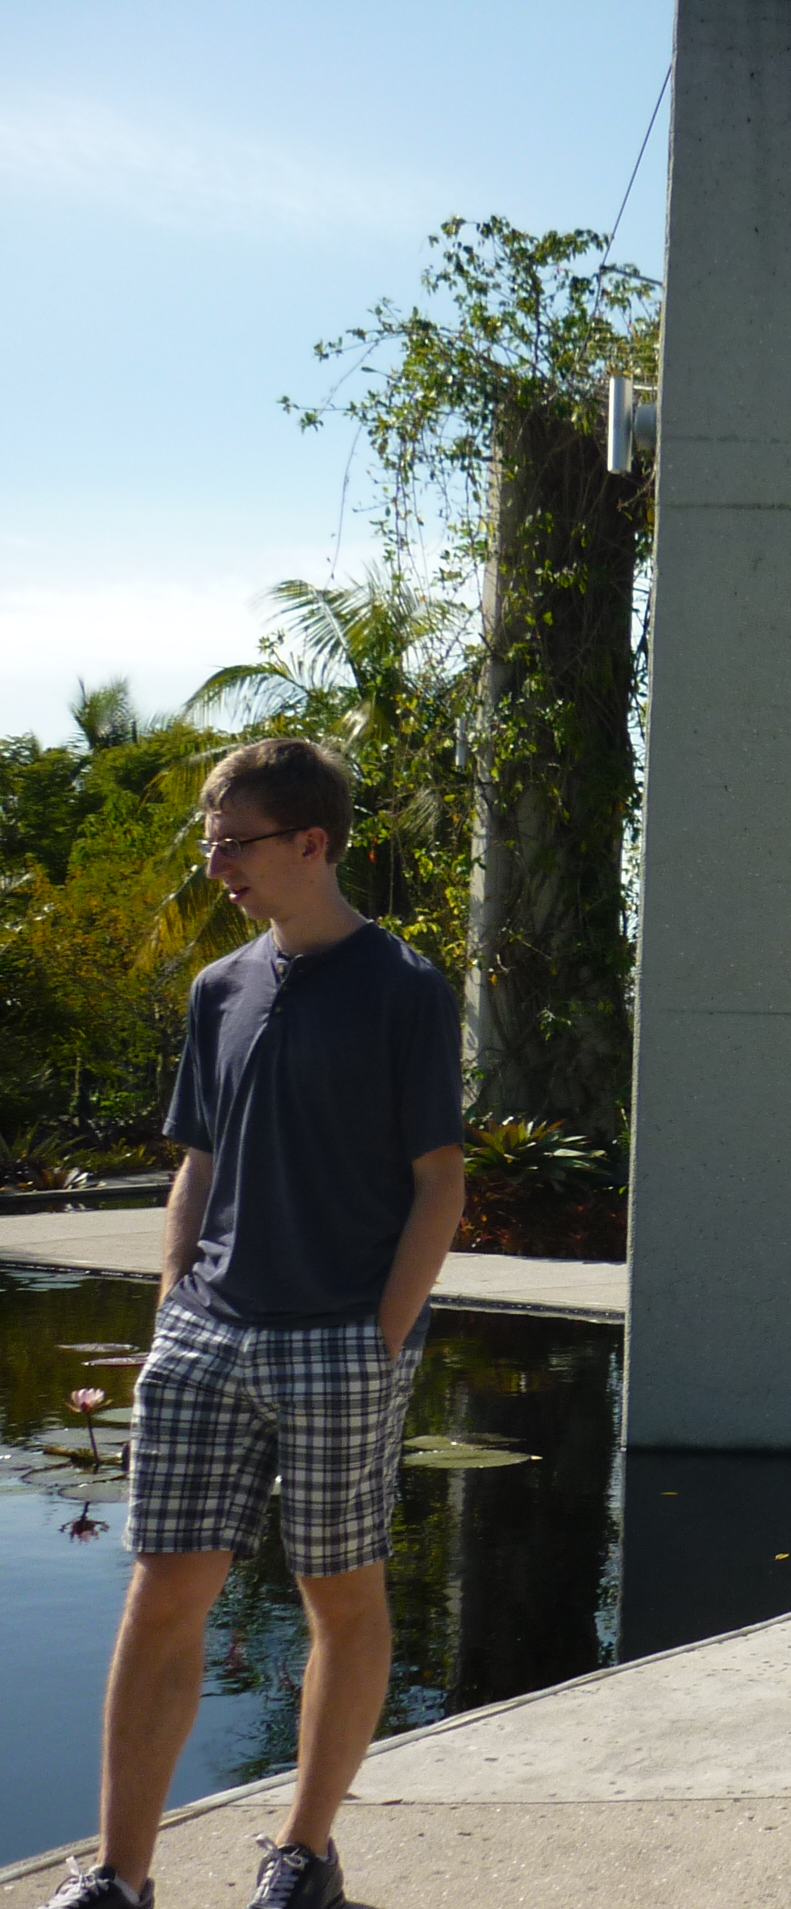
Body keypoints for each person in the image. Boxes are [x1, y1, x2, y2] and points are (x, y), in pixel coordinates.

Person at [47, 740, 466, 1909]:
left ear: (311, 843)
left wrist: (383, 1334)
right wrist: (173, 1295)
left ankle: (303, 1855)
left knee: (340, 1592)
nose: (215, 863)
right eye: (211, 841)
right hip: (207, 1332)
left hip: (340, 1337)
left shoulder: (403, 988)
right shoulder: (219, 988)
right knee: (162, 1594)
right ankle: (120, 1876)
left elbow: (440, 1179)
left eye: (235, 843)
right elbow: (199, 1157)